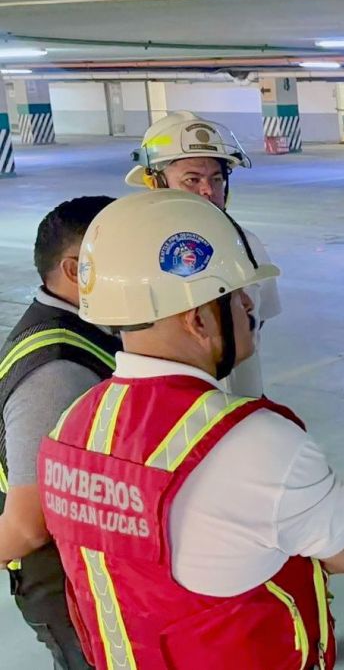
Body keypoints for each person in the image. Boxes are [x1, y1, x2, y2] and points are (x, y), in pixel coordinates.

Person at [37, 190, 344, 670]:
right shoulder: (256, 442)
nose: (249, 307)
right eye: (236, 297)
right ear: (198, 319)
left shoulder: (70, 427)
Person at [0, 197, 122, 670]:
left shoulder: (90, 330)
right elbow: (27, 525)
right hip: (67, 587)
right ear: (75, 270)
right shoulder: (57, 369)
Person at [125, 110, 281, 397]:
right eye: (192, 180)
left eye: (217, 179)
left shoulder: (247, 245)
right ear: (155, 182)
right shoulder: (130, 252)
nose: (208, 190)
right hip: (171, 411)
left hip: (242, 404)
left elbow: (259, 320)